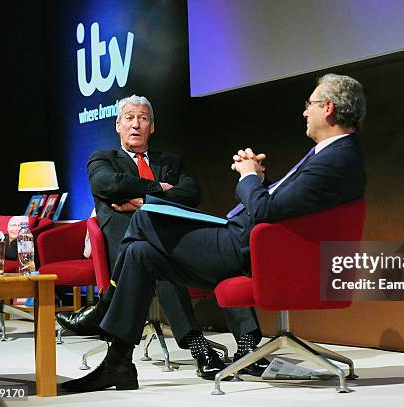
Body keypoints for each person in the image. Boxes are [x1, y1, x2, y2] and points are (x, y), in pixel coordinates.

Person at [61, 73, 367, 392]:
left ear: (328, 108)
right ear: (118, 125)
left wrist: (248, 179)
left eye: (311, 104)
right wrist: (260, 181)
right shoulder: (333, 155)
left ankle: (106, 304)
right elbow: (283, 205)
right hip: (245, 241)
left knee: (144, 220)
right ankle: (118, 364)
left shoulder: (336, 158)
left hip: (245, 248)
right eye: (129, 118)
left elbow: (255, 209)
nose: (306, 111)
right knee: (139, 253)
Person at [56, 95, 262, 380]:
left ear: (152, 127)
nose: (135, 124)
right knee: (155, 256)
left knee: (220, 250)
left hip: (173, 236)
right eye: (129, 118)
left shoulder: (170, 161)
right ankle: (198, 346)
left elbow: (190, 193)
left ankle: (249, 344)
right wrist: (158, 189)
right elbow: (108, 183)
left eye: (143, 118)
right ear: (118, 125)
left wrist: (141, 200)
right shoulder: (103, 159)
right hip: (129, 244)